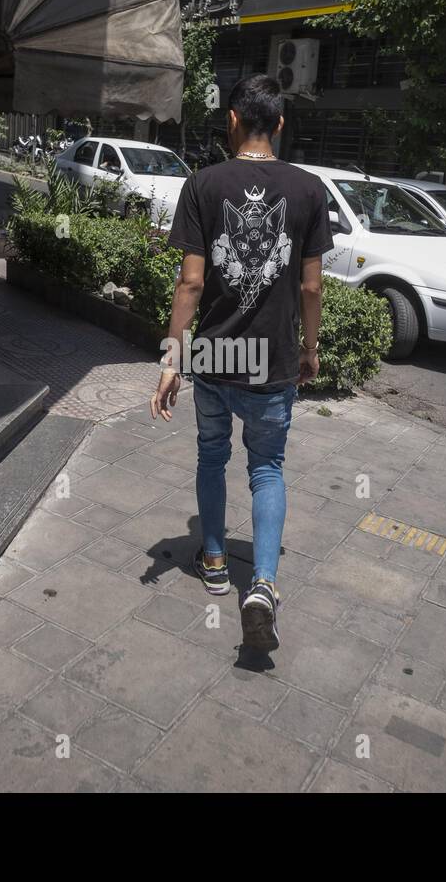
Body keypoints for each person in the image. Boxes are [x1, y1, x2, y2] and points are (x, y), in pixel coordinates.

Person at [150, 74, 330, 653]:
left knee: (211, 453)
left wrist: (172, 357)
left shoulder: (202, 185)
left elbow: (192, 280)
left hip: (213, 356)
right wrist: (310, 349)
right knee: (267, 469)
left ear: (232, 120)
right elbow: (311, 290)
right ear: (278, 124)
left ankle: (214, 559)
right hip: (273, 361)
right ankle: (264, 588)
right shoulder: (308, 190)